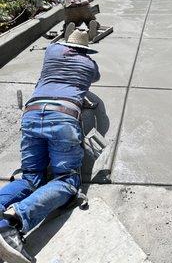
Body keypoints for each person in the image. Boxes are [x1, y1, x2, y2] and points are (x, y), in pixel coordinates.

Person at [0, 29, 100, 263]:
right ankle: (13, 222)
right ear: (86, 49)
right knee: (66, 180)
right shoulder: (89, 64)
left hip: (32, 113)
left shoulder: (53, 50)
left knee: (31, 177)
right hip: (64, 116)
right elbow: (93, 79)